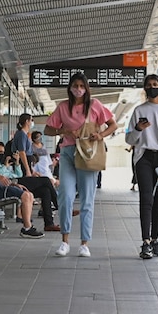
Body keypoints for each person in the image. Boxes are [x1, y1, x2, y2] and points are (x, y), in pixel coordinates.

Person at [44, 72, 117, 257]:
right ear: (70, 88)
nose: (78, 89)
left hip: (88, 154)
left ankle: (85, 243)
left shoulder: (94, 105)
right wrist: (64, 130)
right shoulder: (62, 107)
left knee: (87, 200)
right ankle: (65, 241)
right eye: (75, 86)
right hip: (68, 153)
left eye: (82, 86)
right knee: (65, 196)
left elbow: (112, 124)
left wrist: (100, 135)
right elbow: (47, 129)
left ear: (87, 88)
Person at [125, 74, 158, 259]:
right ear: (144, 89)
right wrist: (138, 129)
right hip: (144, 158)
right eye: (148, 85)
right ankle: (145, 242)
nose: (151, 87)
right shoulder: (139, 110)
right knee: (146, 199)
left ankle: (155, 240)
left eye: (155, 84)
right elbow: (129, 139)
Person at [0, 131, 43, 238]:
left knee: (29, 194)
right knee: (25, 196)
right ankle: (27, 228)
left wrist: (12, 185)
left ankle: (27, 226)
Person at [0, 142, 60, 232]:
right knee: (45, 180)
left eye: (3, 152)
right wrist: (5, 166)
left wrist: (17, 163)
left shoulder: (5, 162)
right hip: (9, 183)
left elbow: (19, 174)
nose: (2, 154)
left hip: (17, 180)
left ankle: (49, 223)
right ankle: (59, 206)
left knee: (45, 191)